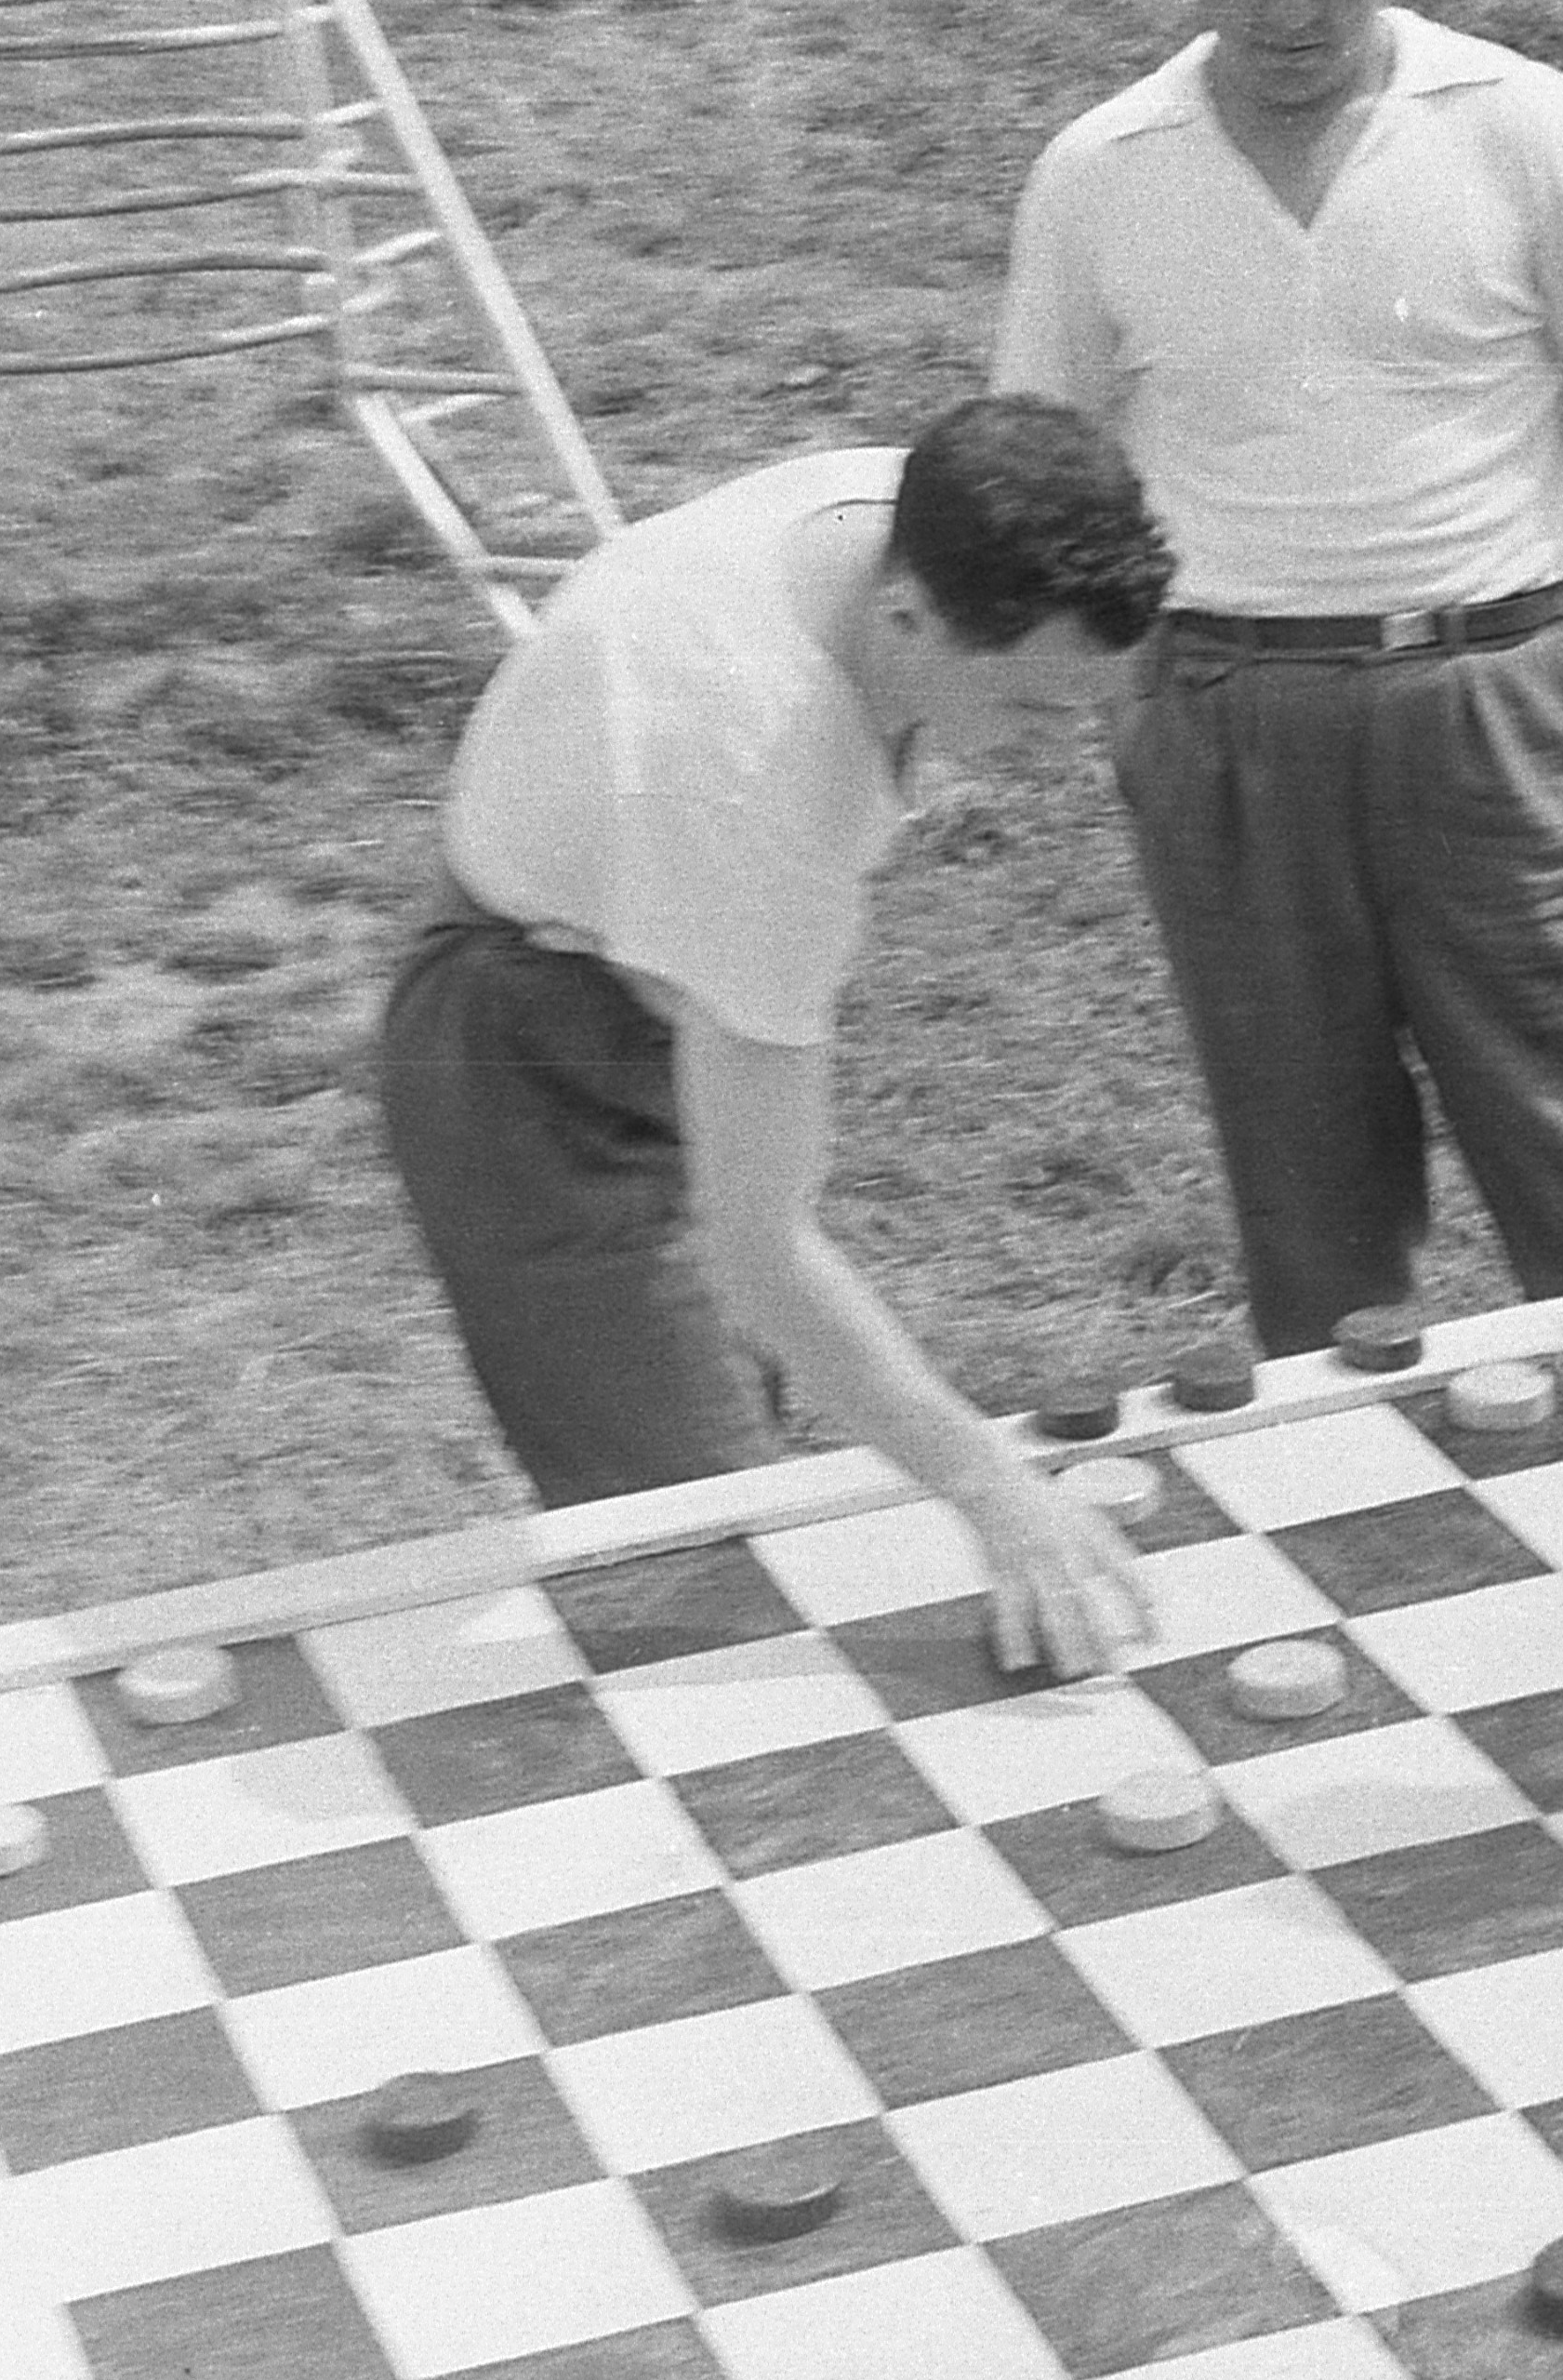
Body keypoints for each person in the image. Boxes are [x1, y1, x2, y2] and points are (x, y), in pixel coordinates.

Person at [993, 0, 1563, 1362]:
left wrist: (1474, 594)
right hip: (1223, 721)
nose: (1292, 12)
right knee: (1313, 1229)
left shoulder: (1522, 126)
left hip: (1482, 709)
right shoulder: (1102, 168)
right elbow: (1050, 466)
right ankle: (1363, 1554)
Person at [377, 395, 1172, 1676]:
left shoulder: (906, 514)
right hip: (520, 1068)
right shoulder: (756, 784)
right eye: (1034, 709)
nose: (1063, 748)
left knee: (740, 1470)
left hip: (628, 960)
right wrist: (994, 1488)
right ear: (909, 616)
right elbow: (762, 1250)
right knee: (707, 1576)